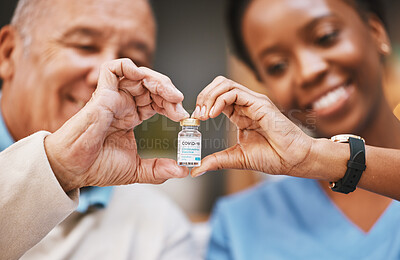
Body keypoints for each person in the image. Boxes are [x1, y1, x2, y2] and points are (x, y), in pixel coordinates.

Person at [191, 0, 400, 258]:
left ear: (376, 32)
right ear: (265, 85)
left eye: (326, 37)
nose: (308, 73)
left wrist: (321, 158)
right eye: (277, 66)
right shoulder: (240, 225)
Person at [0, 0, 198, 259]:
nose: (108, 76)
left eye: (133, 60)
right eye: (85, 46)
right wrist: (55, 170)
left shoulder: (161, 230)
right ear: (8, 52)